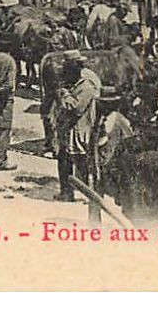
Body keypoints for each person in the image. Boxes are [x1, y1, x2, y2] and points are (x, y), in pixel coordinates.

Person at [51, 52, 101, 204]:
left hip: (79, 130)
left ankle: (87, 193)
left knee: (81, 161)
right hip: (68, 129)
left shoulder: (87, 86)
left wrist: (65, 96)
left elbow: (77, 109)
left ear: (76, 68)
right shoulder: (73, 83)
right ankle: (66, 192)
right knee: (64, 160)